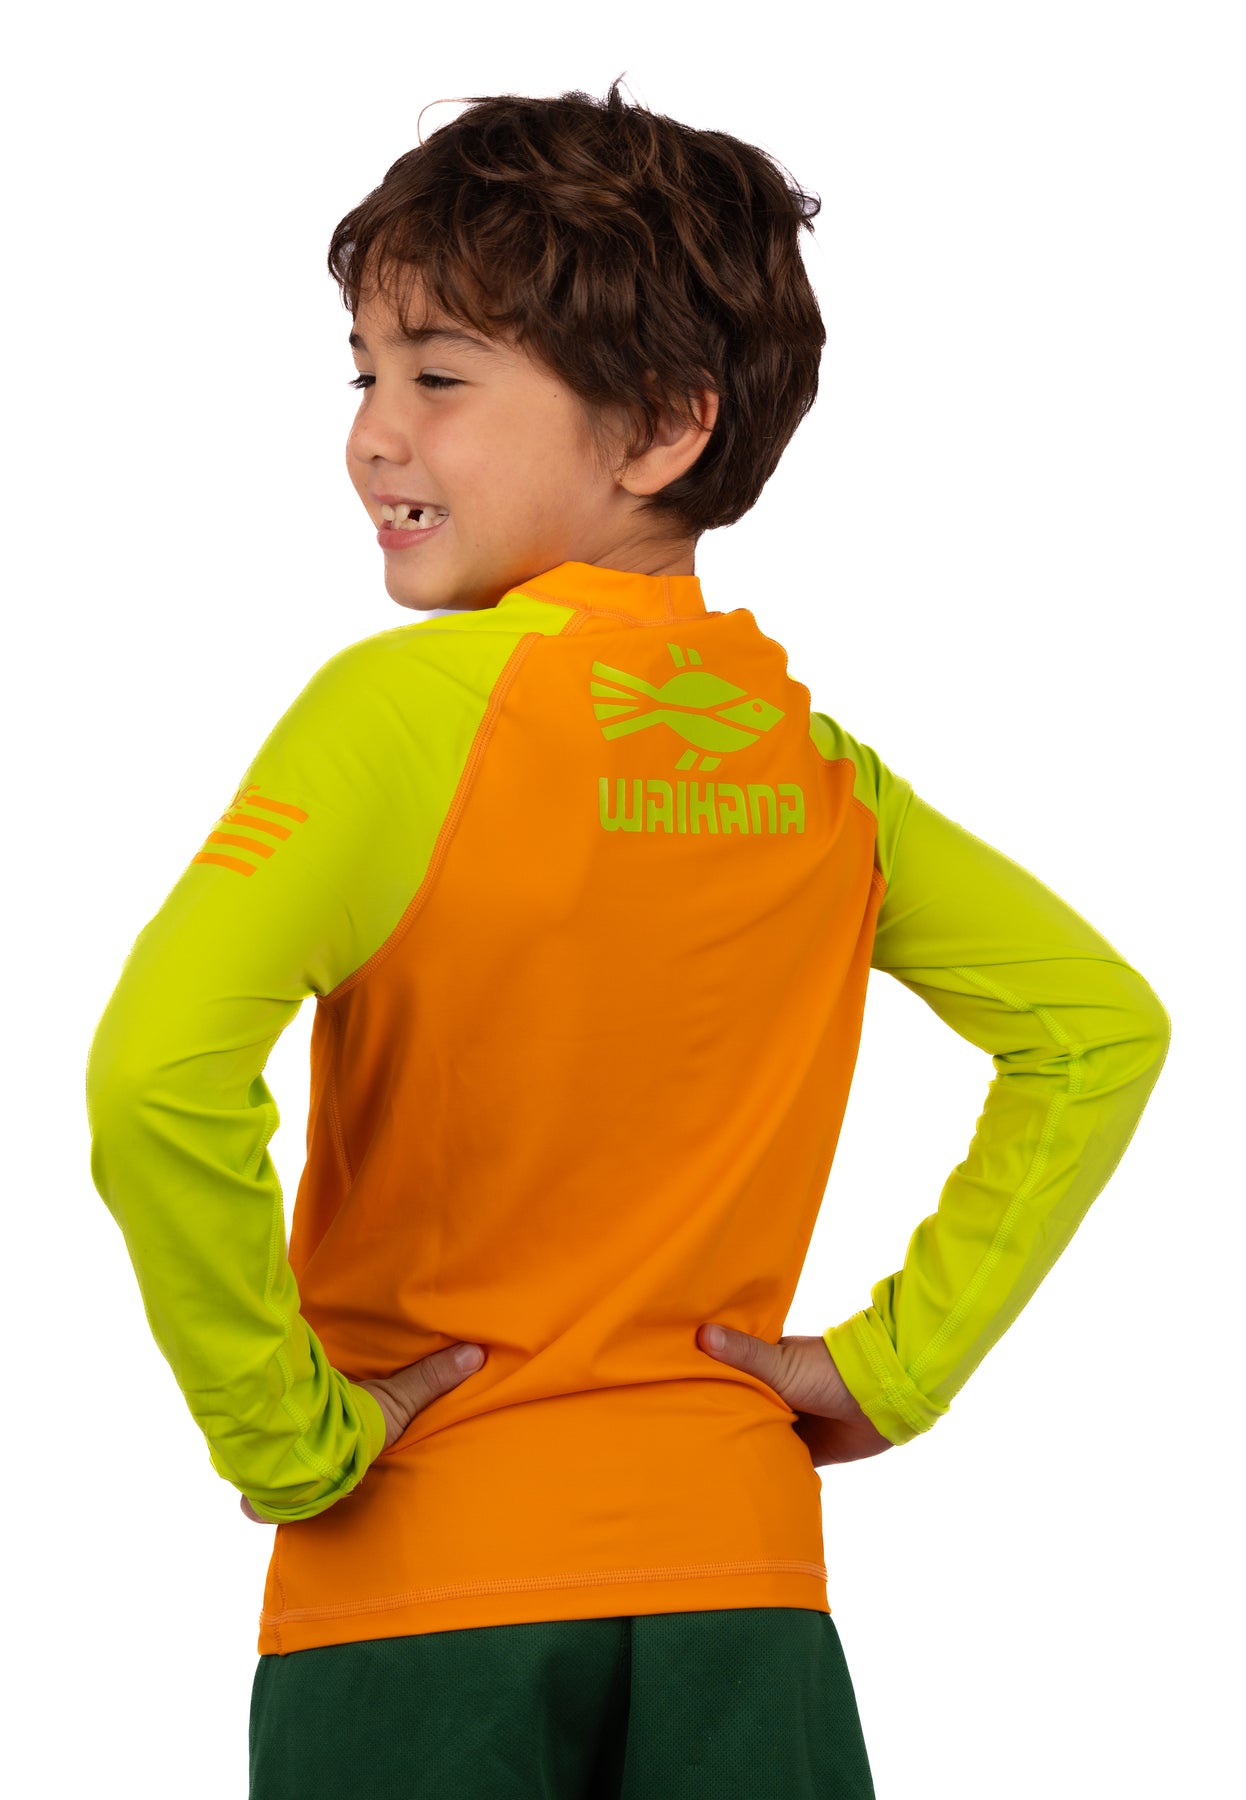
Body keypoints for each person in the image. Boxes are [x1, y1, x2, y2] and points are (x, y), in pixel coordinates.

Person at [84, 80, 1170, 1800]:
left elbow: (154, 1077)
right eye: (362, 377)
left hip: (418, 1601)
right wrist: (894, 1367)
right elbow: (1097, 1028)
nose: (374, 437)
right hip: (745, 1597)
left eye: (439, 379)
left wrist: (282, 1435)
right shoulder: (818, 774)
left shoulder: (405, 717)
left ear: (660, 427)